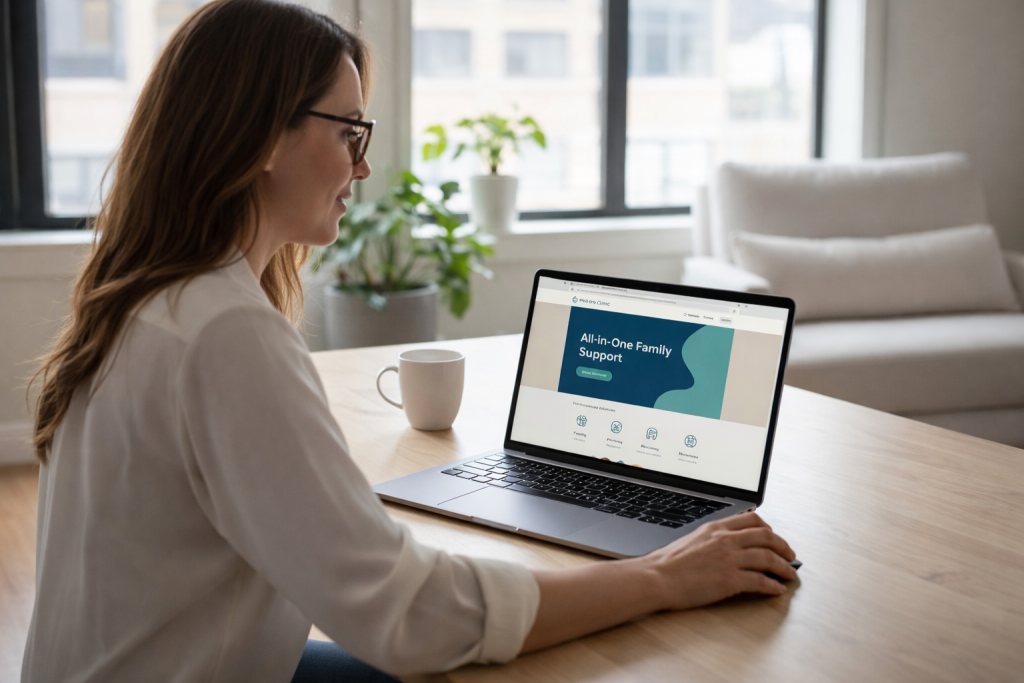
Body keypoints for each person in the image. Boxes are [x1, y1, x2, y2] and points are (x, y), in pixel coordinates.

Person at [22, 1, 798, 681]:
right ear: (260, 136)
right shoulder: (223, 330)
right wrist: (661, 573)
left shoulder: (147, 297)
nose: (362, 167)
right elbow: (409, 613)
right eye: (350, 131)